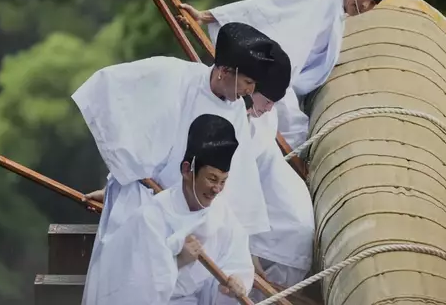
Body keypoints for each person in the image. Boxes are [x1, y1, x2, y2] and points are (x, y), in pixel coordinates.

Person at [74, 22, 289, 287]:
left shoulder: (235, 114)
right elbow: (120, 101)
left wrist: (244, 253)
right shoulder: (175, 75)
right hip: (147, 201)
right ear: (224, 71)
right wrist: (121, 179)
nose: (249, 91)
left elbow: (240, 183)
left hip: (196, 217)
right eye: (247, 82)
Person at [180, 0, 397, 149]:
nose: (366, 4)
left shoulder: (337, 18)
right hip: (259, 89)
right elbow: (260, 9)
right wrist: (205, 16)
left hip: (275, 94)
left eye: (373, 2)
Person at [82, 114, 254, 305]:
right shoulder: (151, 217)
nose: (217, 190)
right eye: (212, 179)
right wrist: (177, 261)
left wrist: (234, 282)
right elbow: (130, 288)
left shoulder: (223, 216)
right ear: (187, 170)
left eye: (223, 181)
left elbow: (235, 263)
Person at [245, 60, 315, 297]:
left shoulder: (261, 116)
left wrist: (247, 247)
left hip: (281, 223)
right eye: (266, 101)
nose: (268, 107)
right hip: (276, 216)